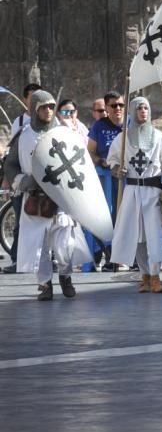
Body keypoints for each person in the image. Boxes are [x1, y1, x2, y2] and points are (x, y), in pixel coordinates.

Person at [2, 91, 89, 299]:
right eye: (43, 107)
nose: (48, 111)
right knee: (39, 246)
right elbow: (11, 164)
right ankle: (45, 285)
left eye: (51, 106)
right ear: (34, 109)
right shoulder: (23, 136)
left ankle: (65, 277)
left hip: (61, 196)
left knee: (65, 244)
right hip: (35, 197)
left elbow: (79, 161)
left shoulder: (64, 133)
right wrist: (22, 180)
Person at [107, 96, 162, 293]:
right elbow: (112, 162)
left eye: (146, 108)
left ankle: (155, 276)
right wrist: (117, 170)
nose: (143, 111)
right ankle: (145, 276)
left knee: (154, 235)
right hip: (131, 192)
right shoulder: (122, 139)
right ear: (132, 111)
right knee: (136, 236)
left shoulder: (160, 137)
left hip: (153, 192)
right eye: (139, 108)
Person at [87, 90, 126, 270]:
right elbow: (91, 152)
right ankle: (109, 254)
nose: (118, 108)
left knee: (124, 216)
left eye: (121, 105)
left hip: (126, 179)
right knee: (107, 216)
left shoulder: (130, 124)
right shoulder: (99, 127)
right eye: (113, 105)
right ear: (107, 108)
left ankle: (124, 256)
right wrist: (101, 161)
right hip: (106, 179)